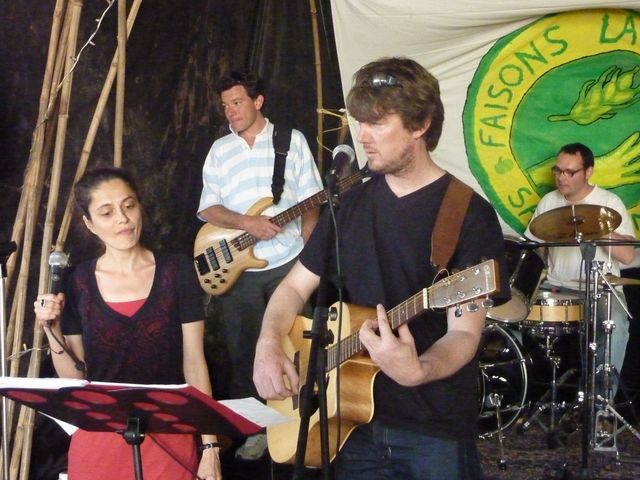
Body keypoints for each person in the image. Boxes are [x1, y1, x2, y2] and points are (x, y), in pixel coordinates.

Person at [253, 57, 510, 479]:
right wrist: (267, 343)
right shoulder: (349, 205)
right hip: (348, 423)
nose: (363, 137)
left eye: (377, 122)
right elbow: (294, 288)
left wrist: (419, 369)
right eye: (359, 122)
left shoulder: (467, 213)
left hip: (432, 426)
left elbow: (464, 333)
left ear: (421, 123)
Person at [34, 166, 221, 480]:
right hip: (99, 439)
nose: (123, 219)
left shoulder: (177, 271)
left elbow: (195, 363)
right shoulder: (77, 281)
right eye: (106, 212)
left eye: (129, 206)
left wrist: (210, 448)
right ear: (89, 224)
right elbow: (76, 375)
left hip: (169, 435)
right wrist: (50, 329)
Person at [197, 69, 323, 460]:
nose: (230, 111)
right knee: (243, 351)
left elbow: (312, 203)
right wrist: (246, 222)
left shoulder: (291, 141)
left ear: (257, 101)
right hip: (240, 269)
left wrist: (308, 254)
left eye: (237, 102)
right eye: (225, 105)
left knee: (296, 345)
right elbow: (208, 208)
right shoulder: (220, 150)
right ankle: (257, 430)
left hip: (288, 265)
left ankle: (300, 424)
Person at [524, 143, 636, 405]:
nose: (561, 177)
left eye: (570, 172)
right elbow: (534, 248)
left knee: (616, 327)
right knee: (509, 314)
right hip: (556, 287)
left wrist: (595, 226)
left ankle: (601, 406)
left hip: (600, 289)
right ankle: (519, 398)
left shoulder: (609, 202)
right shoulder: (549, 202)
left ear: (588, 172)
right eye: (558, 171)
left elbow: (628, 256)